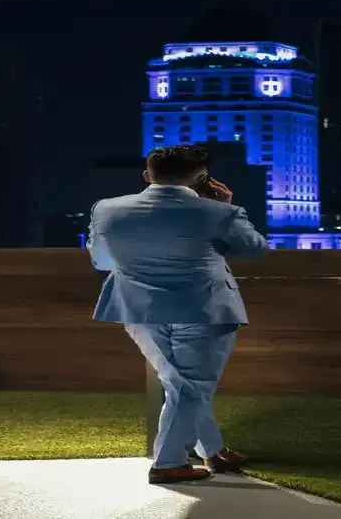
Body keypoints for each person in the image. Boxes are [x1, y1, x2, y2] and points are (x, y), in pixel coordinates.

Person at [87, 144, 268, 484]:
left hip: (138, 307)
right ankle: (168, 462)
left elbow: (101, 261)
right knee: (192, 386)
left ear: (147, 175)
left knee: (180, 382)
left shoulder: (107, 209)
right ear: (202, 179)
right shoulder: (218, 212)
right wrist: (224, 205)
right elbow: (254, 249)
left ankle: (212, 449)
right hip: (204, 308)